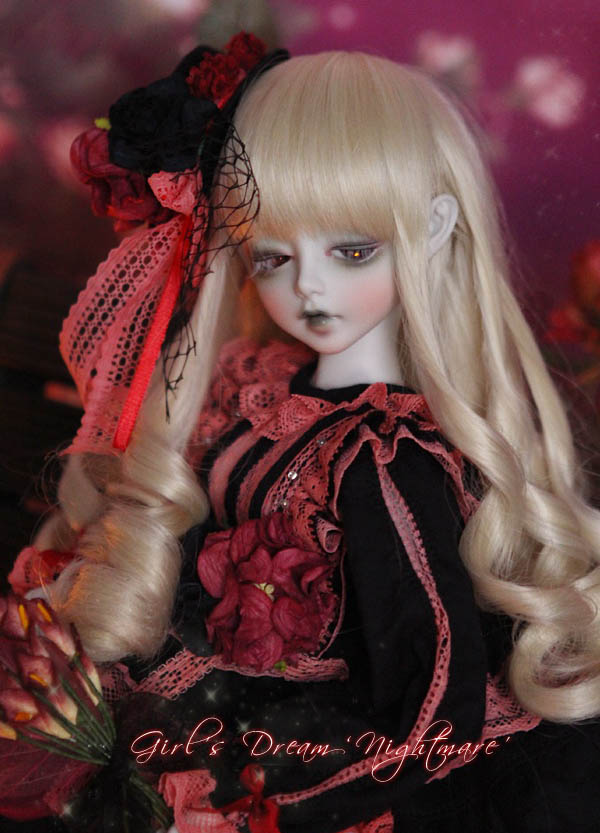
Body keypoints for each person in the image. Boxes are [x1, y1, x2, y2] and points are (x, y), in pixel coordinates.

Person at [7, 32, 600, 833]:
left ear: (433, 227)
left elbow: (433, 703)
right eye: (273, 258)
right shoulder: (255, 382)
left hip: (313, 754)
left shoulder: (388, 458)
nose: (310, 287)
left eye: (352, 250)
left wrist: (261, 803)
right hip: (205, 712)